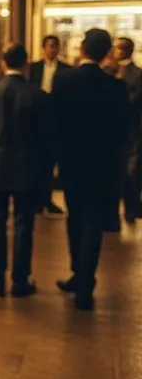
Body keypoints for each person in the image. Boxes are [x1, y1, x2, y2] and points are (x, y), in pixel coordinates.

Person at [51, 28, 130, 311]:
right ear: (106, 52)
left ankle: (77, 273)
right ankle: (85, 280)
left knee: (75, 218)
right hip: (102, 167)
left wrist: (56, 158)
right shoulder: (116, 87)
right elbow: (124, 131)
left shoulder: (64, 79)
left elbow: (54, 122)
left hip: (71, 163)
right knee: (94, 222)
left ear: (83, 49)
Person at [0, 43, 51, 298]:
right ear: (27, 63)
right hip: (27, 167)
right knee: (23, 224)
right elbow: (44, 138)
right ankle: (20, 280)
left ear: (2, 63)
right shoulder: (37, 95)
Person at [28, 34, 69, 216]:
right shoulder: (33, 68)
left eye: (55, 46)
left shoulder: (66, 70)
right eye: (49, 46)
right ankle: (37, 199)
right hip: (36, 120)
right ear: (44, 48)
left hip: (57, 120)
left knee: (51, 162)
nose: (52, 49)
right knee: (36, 161)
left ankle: (47, 199)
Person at [113, 36, 142, 227]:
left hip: (131, 127)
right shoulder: (109, 69)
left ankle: (131, 207)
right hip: (113, 129)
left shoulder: (137, 73)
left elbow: (136, 98)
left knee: (131, 170)